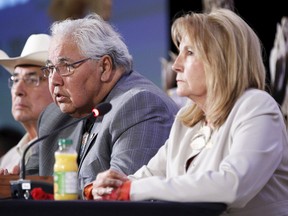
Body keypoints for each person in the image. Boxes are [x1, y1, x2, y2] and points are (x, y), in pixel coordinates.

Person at [86, 8, 288, 215]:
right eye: (179, 52)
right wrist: (105, 187)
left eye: (189, 53)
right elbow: (147, 176)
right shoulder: (187, 121)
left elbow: (233, 185)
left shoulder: (256, 106)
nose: (176, 66)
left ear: (221, 61)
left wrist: (132, 190)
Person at [25, 13, 179, 196]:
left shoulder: (141, 105)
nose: (54, 80)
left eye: (66, 67)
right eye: (50, 69)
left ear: (104, 67)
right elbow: (29, 183)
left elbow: (117, 193)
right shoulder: (54, 116)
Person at [0, 34, 53, 174]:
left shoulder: (68, 151)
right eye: (15, 80)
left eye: (31, 80)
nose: (18, 90)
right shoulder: (6, 160)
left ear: (57, 86)